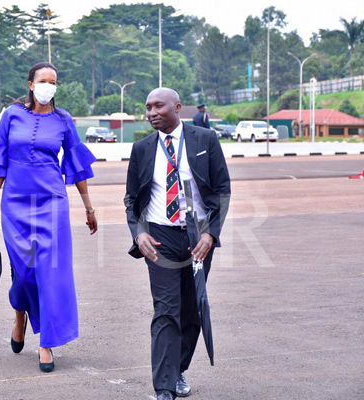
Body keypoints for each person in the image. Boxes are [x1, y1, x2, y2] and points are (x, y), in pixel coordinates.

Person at [0, 62, 98, 373]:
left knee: (51, 273)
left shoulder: (63, 120)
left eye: (53, 82)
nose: (48, 86)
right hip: (15, 203)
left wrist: (88, 206)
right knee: (26, 272)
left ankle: (46, 343)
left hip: (52, 202)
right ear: (31, 84)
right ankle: (20, 312)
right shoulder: (12, 115)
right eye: (43, 80)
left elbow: (76, 164)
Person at [125, 88, 230, 400]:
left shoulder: (205, 140)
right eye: (148, 107)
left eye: (159, 106)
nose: (152, 112)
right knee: (166, 310)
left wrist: (210, 233)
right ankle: (165, 385)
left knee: (192, 310)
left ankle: (180, 367)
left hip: (197, 236)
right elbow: (132, 199)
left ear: (178, 108)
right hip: (159, 237)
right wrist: (138, 232)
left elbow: (222, 189)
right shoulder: (142, 148)